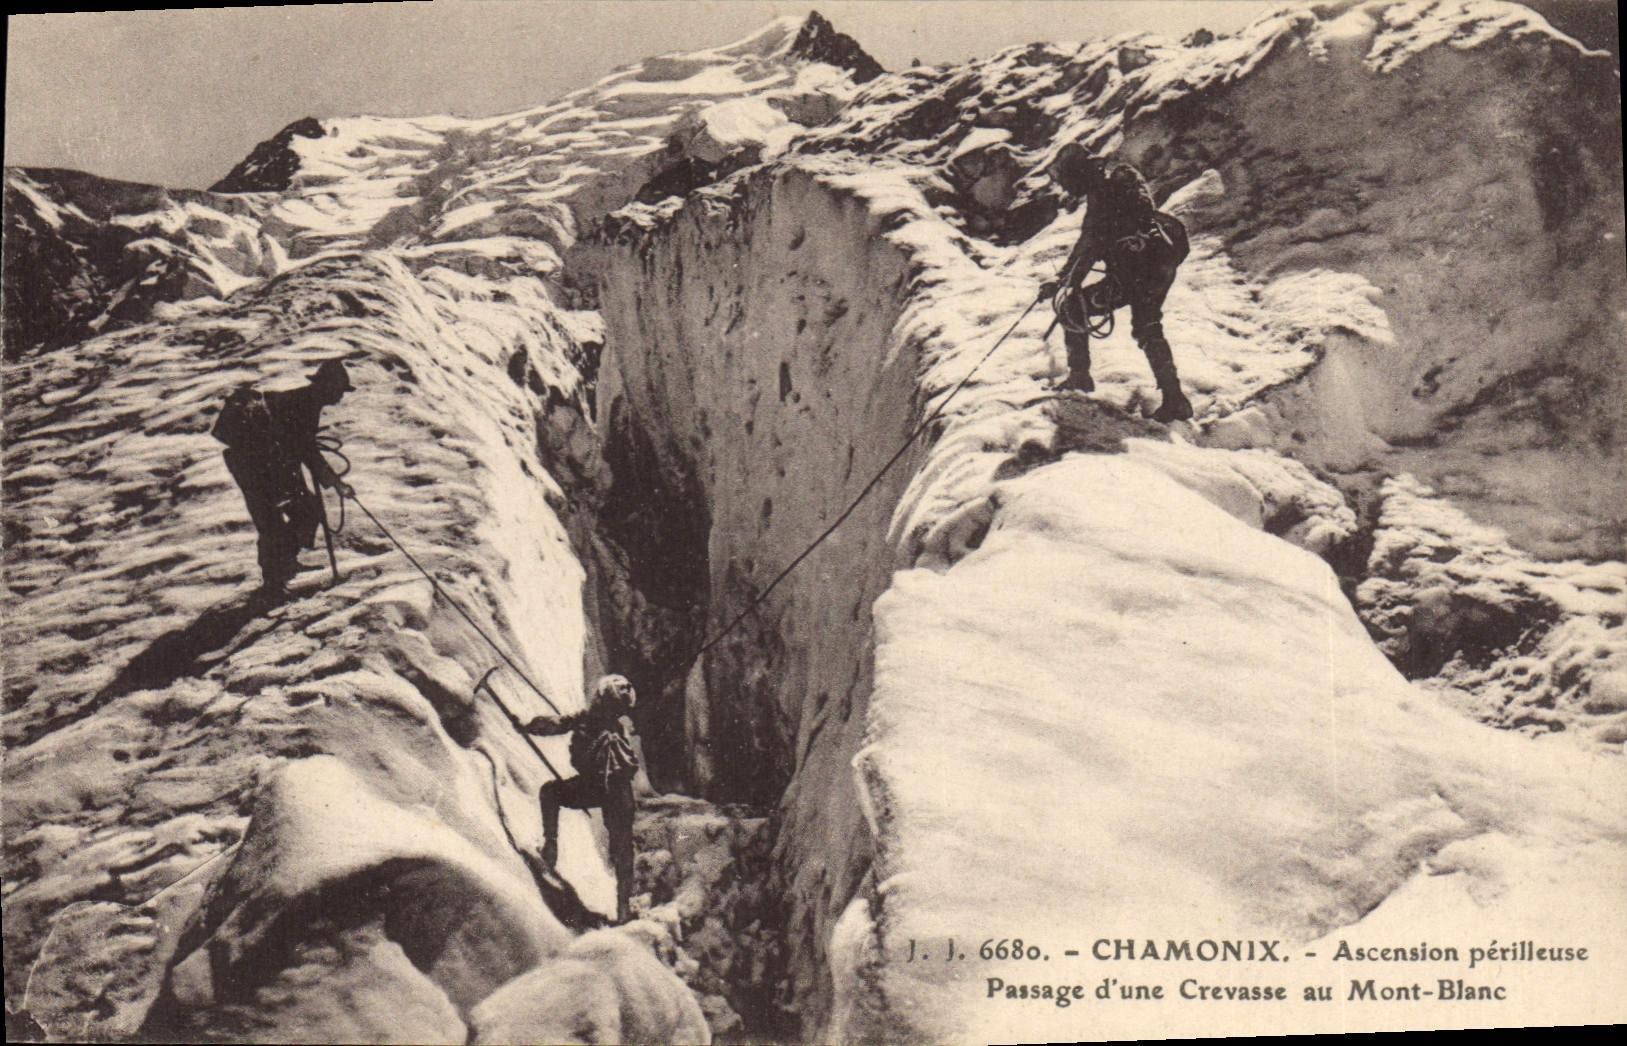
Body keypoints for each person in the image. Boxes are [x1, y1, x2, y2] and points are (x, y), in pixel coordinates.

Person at [1039, 145, 1194, 422]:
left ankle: (1080, 377)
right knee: (1148, 327)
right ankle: (1175, 398)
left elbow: (1087, 248)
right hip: (1158, 267)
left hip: (1134, 274)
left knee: (1073, 308)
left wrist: (1063, 283)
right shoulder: (1118, 181)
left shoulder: (1103, 196)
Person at [212, 358, 353, 595]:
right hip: (255, 467)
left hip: (273, 467)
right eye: (338, 390)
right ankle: (273, 582)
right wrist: (335, 483)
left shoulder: (307, 402)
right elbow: (307, 450)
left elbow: (304, 448)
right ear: (326, 387)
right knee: (272, 523)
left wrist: (333, 482)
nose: (340, 397)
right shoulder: (302, 404)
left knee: (306, 511)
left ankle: (285, 565)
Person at [525, 674, 642, 924]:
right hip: (620, 794)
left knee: (551, 792)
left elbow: (554, 724)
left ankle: (551, 845)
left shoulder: (585, 719)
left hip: (594, 787)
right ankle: (623, 907)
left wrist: (527, 726)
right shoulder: (619, 727)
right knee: (623, 850)